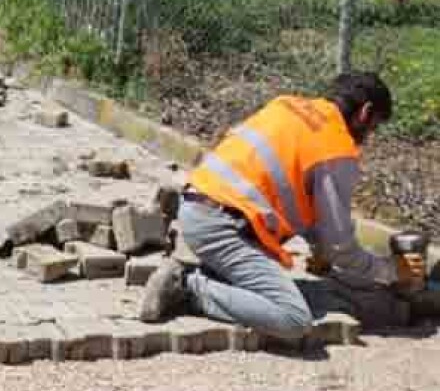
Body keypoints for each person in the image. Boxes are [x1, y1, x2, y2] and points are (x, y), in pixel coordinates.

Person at [139, 72, 426, 338]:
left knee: (260, 282)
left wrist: (319, 247)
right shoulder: (336, 149)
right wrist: (390, 271)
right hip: (221, 227)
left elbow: (293, 195)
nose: (368, 137)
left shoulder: (286, 105)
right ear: (364, 113)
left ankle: (211, 276)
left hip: (195, 206)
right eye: (372, 128)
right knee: (294, 318)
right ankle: (187, 287)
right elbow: (342, 248)